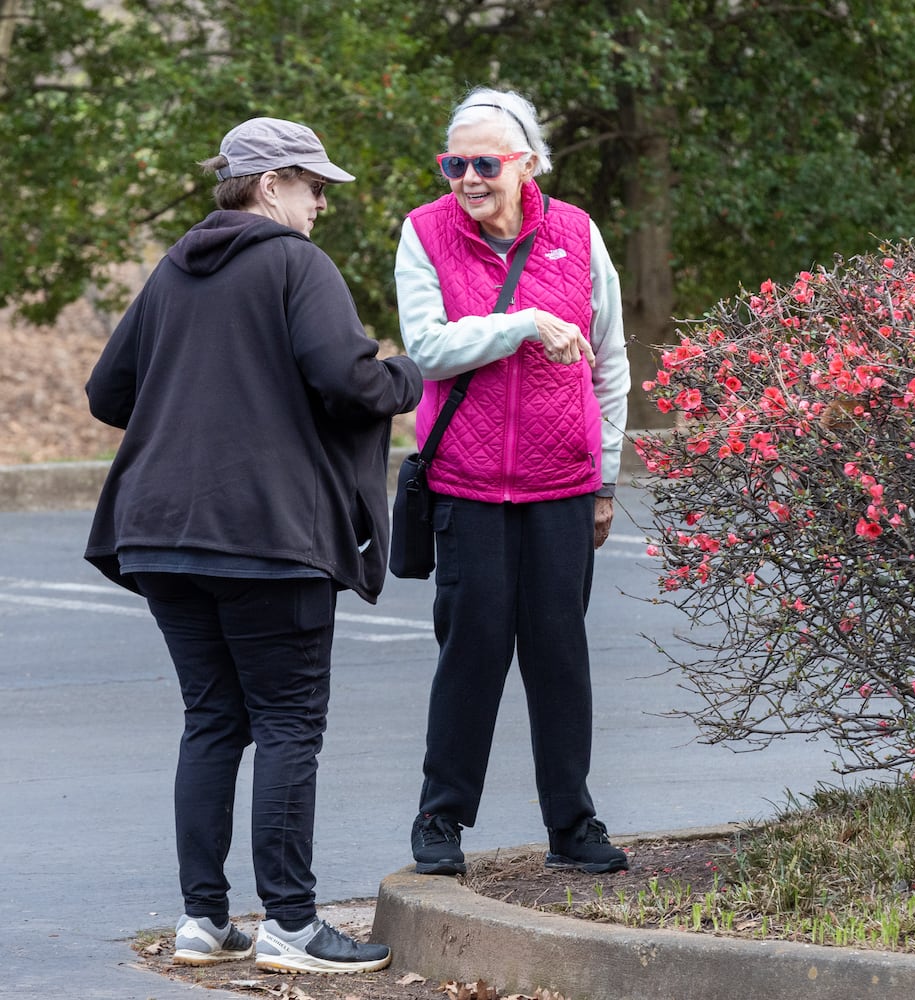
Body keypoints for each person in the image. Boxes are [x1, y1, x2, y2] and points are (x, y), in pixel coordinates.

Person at [84, 117, 422, 974]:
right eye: (313, 186)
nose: (321, 205)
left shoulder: (172, 270)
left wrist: (196, 406)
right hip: (267, 536)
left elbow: (107, 391)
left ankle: (203, 922)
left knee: (212, 721)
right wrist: (411, 375)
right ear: (269, 186)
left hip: (158, 534)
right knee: (286, 723)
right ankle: (293, 926)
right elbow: (349, 381)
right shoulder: (293, 264)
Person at [395, 88, 631, 877]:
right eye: (454, 162)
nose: (468, 177)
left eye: (485, 163)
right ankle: (440, 820)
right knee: (472, 653)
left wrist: (605, 481)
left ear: (526, 164)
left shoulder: (575, 232)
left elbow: (611, 362)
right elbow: (427, 348)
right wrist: (525, 322)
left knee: (561, 656)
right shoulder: (424, 233)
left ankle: (573, 822)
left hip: (561, 487)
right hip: (466, 487)